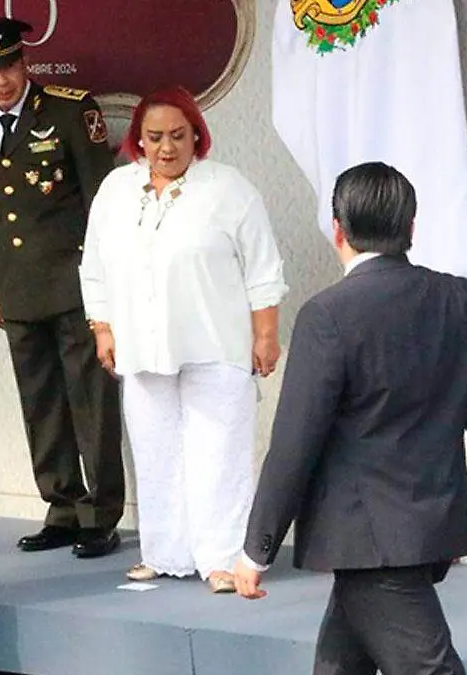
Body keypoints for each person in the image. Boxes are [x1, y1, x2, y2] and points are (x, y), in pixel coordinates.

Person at [235, 162, 467, 674]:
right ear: (411, 228)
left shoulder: (327, 314)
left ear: (338, 230)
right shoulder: (461, 299)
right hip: (428, 524)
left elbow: (294, 443)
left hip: (369, 542)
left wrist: (257, 550)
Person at [79, 86, 288, 593]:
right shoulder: (116, 189)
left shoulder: (229, 188)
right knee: (155, 453)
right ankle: (165, 552)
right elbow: (95, 265)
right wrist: (103, 328)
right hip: (142, 346)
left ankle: (223, 558)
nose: (166, 147)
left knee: (219, 455)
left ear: (197, 135)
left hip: (217, 344)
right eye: (154, 137)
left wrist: (266, 335)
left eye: (177, 135)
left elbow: (263, 270)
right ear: (138, 139)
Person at [0, 17, 123, 557]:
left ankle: (100, 515)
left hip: (73, 285)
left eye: (7, 66)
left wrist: (104, 284)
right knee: (40, 403)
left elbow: (100, 203)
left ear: (25, 63)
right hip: (16, 289)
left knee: (90, 402)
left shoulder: (69, 111)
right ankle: (62, 507)